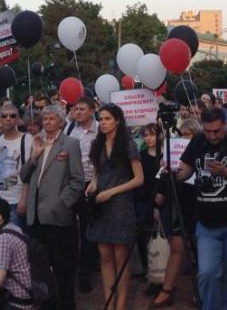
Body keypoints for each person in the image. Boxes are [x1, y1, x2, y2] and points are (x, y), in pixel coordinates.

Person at [176, 106, 227, 310]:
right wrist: (171, 170)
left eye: (217, 131)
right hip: (207, 225)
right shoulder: (198, 141)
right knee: (207, 273)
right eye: (208, 131)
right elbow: (185, 172)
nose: (212, 136)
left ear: (225, 125)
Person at [19, 105, 84, 310]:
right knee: (39, 264)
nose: (47, 122)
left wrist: (62, 203)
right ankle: (46, 301)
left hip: (57, 214)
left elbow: (77, 181)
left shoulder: (70, 143)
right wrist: (34, 156)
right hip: (35, 214)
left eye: (51, 119)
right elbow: (23, 176)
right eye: (44, 119)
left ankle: (66, 303)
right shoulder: (36, 142)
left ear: (61, 121)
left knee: (62, 264)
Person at [85, 103, 144, 310]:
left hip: (120, 205)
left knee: (121, 257)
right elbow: (97, 172)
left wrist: (112, 191)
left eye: (107, 119)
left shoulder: (128, 144)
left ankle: (120, 305)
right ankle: (109, 304)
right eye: (101, 119)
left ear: (117, 120)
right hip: (100, 204)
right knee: (105, 256)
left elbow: (139, 179)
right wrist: (93, 183)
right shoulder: (98, 144)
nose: (103, 123)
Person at [150, 119, 200, 308]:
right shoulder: (174, 152)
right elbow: (164, 179)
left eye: (189, 135)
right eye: (183, 134)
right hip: (181, 205)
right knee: (178, 245)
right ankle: (167, 289)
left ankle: (200, 289)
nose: (186, 138)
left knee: (200, 251)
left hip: (201, 205)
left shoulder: (202, 150)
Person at [63, 96, 99, 294]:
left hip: (92, 184)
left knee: (89, 229)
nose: (78, 112)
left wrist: (96, 181)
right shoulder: (69, 130)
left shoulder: (101, 129)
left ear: (92, 110)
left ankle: (85, 272)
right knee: (69, 228)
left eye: (82, 109)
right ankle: (72, 267)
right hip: (71, 183)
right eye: (75, 109)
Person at [0, 103, 33, 228]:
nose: (8, 119)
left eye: (12, 116)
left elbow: (29, 173)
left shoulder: (27, 139)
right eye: (4, 116)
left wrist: (24, 199)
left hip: (16, 200)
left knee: (15, 236)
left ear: (18, 119)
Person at [134, 123, 162, 281]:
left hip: (159, 200)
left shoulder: (164, 155)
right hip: (142, 200)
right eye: (145, 135)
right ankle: (146, 267)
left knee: (159, 236)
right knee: (142, 234)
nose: (148, 138)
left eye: (152, 135)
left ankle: (160, 267)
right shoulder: (141, 155)